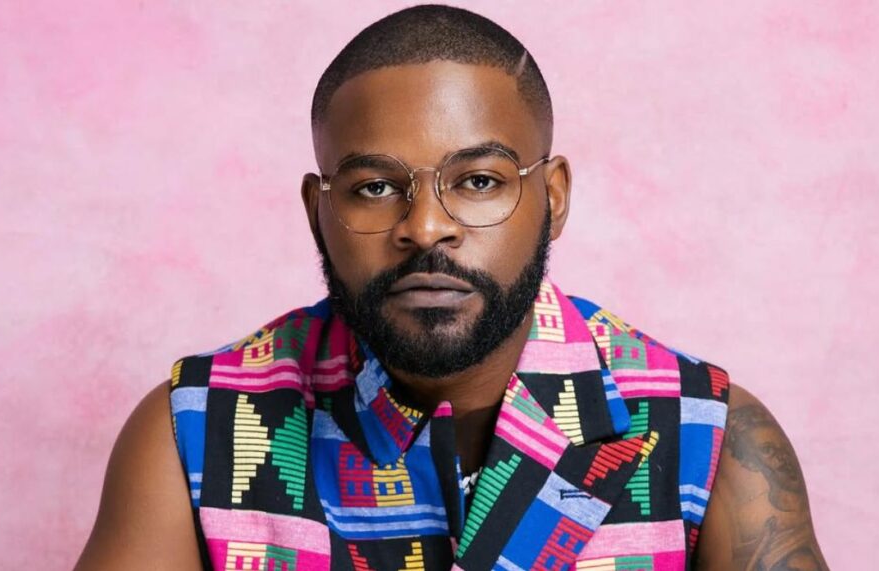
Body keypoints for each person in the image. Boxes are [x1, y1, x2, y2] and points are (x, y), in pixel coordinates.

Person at [76, 5, 828, 570]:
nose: (426, 227)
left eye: (478, 181)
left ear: (553, 197)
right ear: (318, 211)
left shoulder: (707, 435)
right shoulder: (195, 431)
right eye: (375, 187)